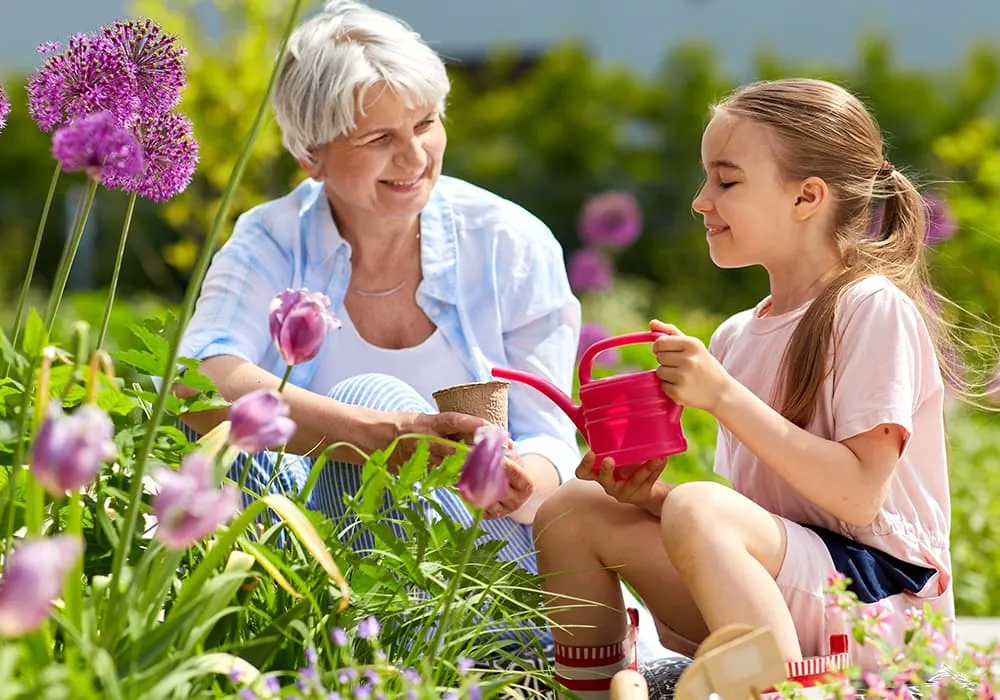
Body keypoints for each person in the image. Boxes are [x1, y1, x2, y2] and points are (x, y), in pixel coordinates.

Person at [175, 0, 666, 664]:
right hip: (322, 566)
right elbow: (196, 382)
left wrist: (522, 476)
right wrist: (386, 437)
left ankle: (472, 659)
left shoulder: (508, 242)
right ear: (311, 155)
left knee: (378, 408)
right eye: (379, 138)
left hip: (483, 560)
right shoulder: (271, 237)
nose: (414, 156)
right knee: (310, 416)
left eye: (426, 124)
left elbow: (549, 428)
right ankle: (456, 664)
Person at [534, 77, 957, 697]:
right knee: (571, 509)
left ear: (806, 196)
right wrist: (647, 495)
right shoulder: (738, 333)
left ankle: (776, 693)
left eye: (726, 181)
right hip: (791, 595)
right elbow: (762, 523)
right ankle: (596, 690)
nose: (702, 201)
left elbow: (858, 497)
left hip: (877, 606)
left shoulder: (871, 307)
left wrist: (723, 396)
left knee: (699, 506)